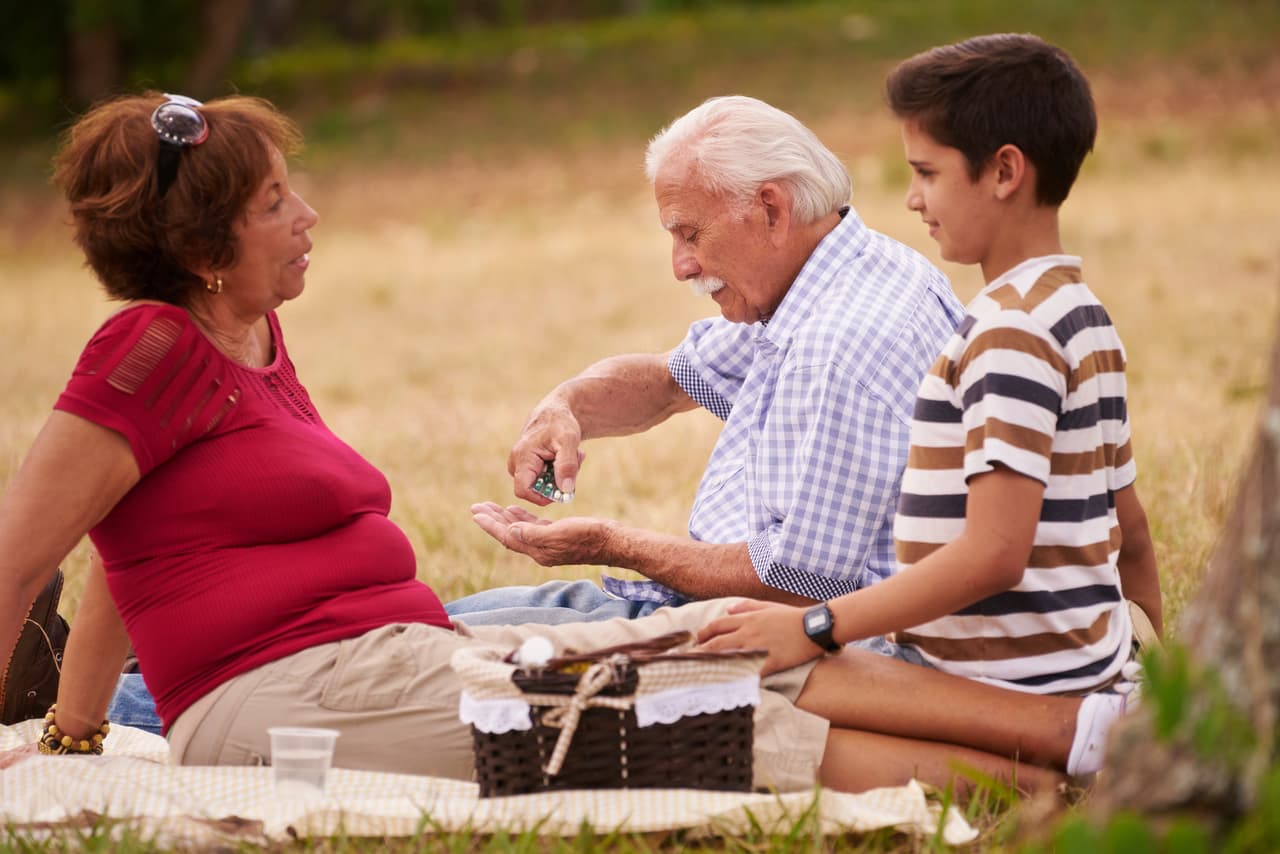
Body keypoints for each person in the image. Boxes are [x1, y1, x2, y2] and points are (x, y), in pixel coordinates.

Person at [0, 89, 1139, 797]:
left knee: (716, 644)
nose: (308, 218)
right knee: (685, 707)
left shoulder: (244, 333)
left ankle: (1066, 737)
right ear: (206, 251)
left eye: (290, 194)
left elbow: (128, 543)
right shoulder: (149, 351)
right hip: (294, 694)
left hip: (381, 656)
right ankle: (1040, 793)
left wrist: (78, 737)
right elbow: (38, 558)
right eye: (273, 206)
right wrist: (75, 737)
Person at [683, 33, 1162, 785]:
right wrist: (1149, 670)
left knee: (731, 684)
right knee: (745, 663)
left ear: (1004, 171)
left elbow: (993, 554)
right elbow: (1129, 527)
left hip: (994, 681)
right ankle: (1078, 745)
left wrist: (816, 624)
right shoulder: (1079, 313)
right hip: (1068, 670)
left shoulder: (1010, 332)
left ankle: (1043, 773)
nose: (912, 200)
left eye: (927, 173)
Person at [448, 95, 964, 626]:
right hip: (739, 614)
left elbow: (797, 584)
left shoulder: (839, 344)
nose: (681, 266)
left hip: (795, 637)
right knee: (436, 622)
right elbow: (669, 382)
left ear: (771, 210)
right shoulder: (838, 270)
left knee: (443, 642)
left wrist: (612, 543)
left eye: (690, 234)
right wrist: (565, 408)